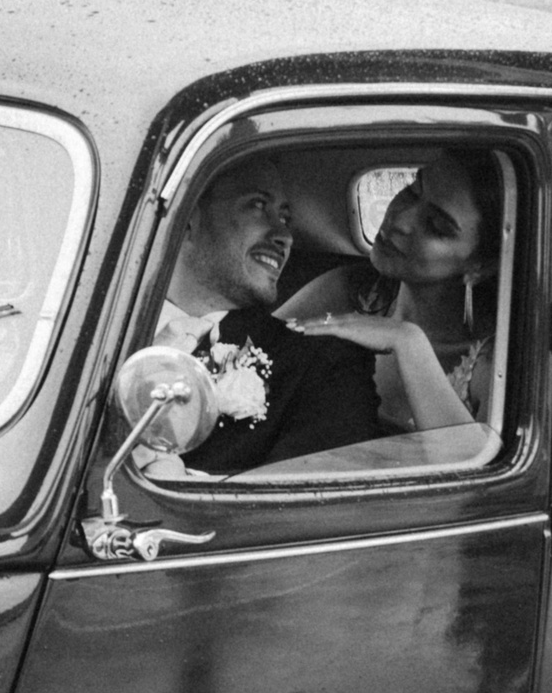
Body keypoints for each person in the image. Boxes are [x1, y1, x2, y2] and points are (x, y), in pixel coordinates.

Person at [153, 158, 382, 475]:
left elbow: (308, 505)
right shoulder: (97, 326)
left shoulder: (322, 363)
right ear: (187, 217)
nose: (285, 236)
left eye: (285, 218)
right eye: (258, 206)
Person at [279, 149, 501, 433]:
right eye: (411, 192)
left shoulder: (488, 365)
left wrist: (408, 341)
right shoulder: (350, 291)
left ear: (479, 265)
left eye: (436, 226)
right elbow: (246, 353)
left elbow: (473, 468)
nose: (401, 220)